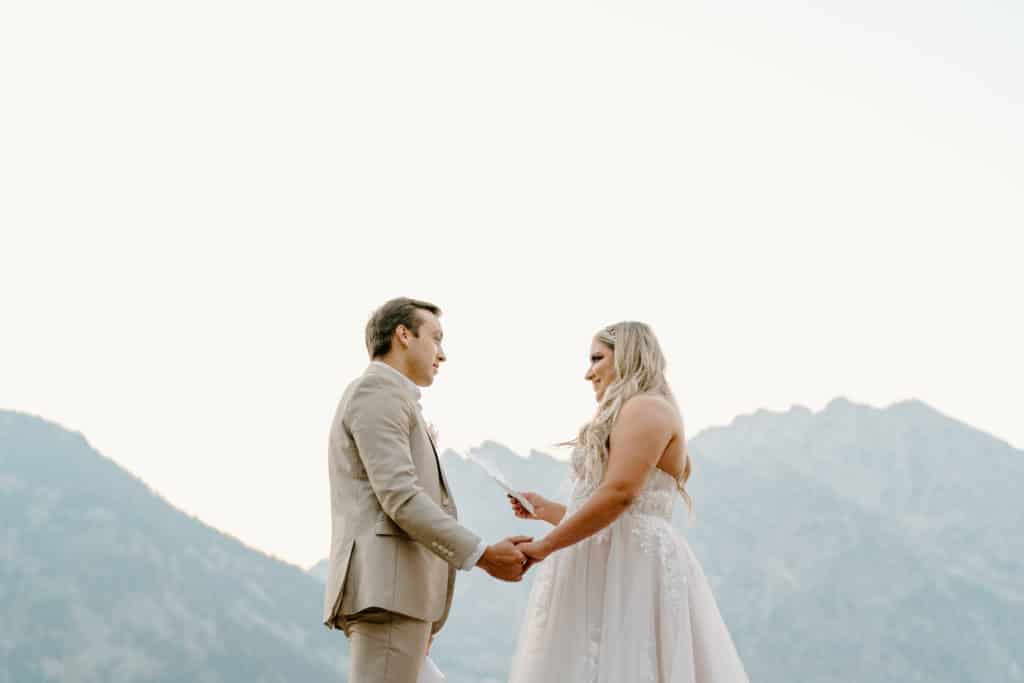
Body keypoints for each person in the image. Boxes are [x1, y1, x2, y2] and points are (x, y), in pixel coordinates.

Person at [507, 321, 750, 683]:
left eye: (597, 358)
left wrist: (545, 547)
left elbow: (621, 496)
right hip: (607, 560)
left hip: (632, 567)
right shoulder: (633, 410)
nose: (588, 373)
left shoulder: (647, 407)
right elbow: (612, 512)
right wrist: (548, 512)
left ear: (628, 356)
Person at [322, 297, 531, 683]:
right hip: (388, 595)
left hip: (403, 598)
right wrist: (484, 555)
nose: (443, 354)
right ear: (403, 335)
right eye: (436, 338)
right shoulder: (376, 393)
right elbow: (401, 498)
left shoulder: (392, 397)